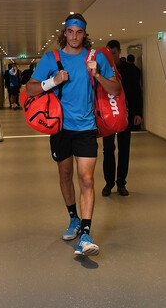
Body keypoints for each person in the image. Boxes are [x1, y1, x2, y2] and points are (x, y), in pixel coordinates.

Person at [26, 14, 120, 256]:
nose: (75, 36)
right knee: (65, 175)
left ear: (84, 34)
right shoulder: (51, 59)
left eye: (79, 32)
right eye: (71, 32)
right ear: (64, 33)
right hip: (60, 129)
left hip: (87, 128)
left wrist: (98, 75)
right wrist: (52, 81)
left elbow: (115, 88)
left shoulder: (95, 58)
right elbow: (30, 89)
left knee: (86, 179)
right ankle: (73, 219)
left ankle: (86, 234)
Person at [101, 40, 143, 197]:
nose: (111, 56)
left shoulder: (130, 70)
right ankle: (108, 183)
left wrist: (138, 113)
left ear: (119, 52)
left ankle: (121, 183)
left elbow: (137, 93)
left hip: (125, 114)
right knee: (108, 150)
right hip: (108, 116)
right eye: (109, 53)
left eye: (114, 53)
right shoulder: (103, 70)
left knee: (124, 150)